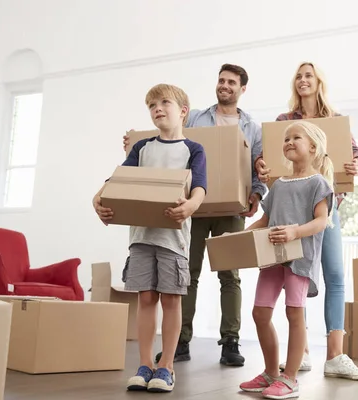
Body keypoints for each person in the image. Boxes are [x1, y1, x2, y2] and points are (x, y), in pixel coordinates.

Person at [123, 64, 267, 367]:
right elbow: (163, 140)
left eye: (231, 82)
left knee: (230, 276)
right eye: (221, 80)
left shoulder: (253, 127)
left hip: (231, 209)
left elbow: (258, 165)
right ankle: (181, 342)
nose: (224, 85)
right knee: (187, 275)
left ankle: (230, 341)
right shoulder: (198, 117)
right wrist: (130, 145)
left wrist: (256, 194)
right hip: (189, 208)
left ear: (242, 89)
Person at [254, 62, 358, 380]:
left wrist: (357, 164)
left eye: (309, 75)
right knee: (294, 273)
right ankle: (301, 351)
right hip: (289, 207)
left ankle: (335, 355)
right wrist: (262, 167)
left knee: (334, 275)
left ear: (318, 82)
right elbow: (267, 161)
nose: (303, 79)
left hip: (326, 205)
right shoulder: (283, 122)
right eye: (298, 75)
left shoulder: (334, 121)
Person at [94, 83, 207, 393]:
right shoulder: (142, 148)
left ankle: (167, 366)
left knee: (171, 299)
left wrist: (191, 206)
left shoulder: (193, 150)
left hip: (174, 239)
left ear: (183, 111)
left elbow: (199, 187)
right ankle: (145, 364)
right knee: (145, 297)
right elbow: (118, 179)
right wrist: (98, 198)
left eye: (164, 102)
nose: (157, 108)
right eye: (152, 105)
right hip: (142, 236)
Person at [240, 121, 334, 399]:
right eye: (286, 139)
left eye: (296, 138)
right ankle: (271, 372)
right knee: (260, 313)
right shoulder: (278, 184)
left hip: (300, 259)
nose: (289, 142)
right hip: (272, 259)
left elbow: (321, 221)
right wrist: (238, 237)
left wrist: (295, 231)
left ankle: (290, 378)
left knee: (294, 313)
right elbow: (265, 220)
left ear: (313, 147)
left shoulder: (319, 183)